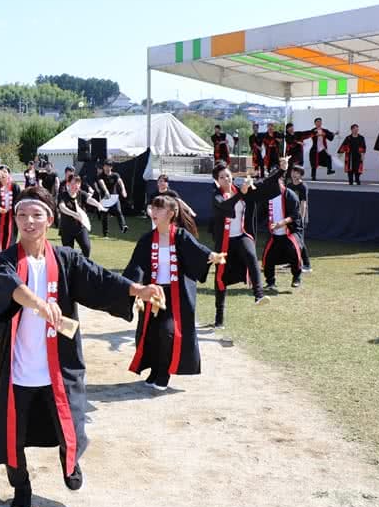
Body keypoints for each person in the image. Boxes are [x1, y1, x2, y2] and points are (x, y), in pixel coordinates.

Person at [0, 186, 161, 507]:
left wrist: (137, 289)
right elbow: (10, 287)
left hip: (59, 364)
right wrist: (39, 304)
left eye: (36, 215)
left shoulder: (65, 259)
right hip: (20, 368)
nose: (28, 221)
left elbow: (99, 280)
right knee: (13, 435)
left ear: (50, 220)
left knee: (73, 424)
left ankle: (70, 463)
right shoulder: (4, 260)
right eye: (22, 215)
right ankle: (21, 488)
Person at [124, 195, 225, 391]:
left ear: (171, 214)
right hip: (153, 294)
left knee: (168, 332)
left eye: (159, 209)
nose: (154, 212)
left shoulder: (180, 236)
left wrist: (212, 256)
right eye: (153, 208)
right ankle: (154, 369)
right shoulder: (147, 240)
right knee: (150, 334)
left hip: (176, 296)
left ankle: (164, 372)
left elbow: (198, 252)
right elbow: (136, 267)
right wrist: (133, 288)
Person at [210, 161, 280, 328]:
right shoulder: (216, 196)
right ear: (217, 181)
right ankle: (219, 316)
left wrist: (281, 170)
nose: (226, 179)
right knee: (220, 278)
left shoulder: (240, 189)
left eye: (228, 175)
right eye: (222, 177)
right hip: (225, 242)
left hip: (241, 234)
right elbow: (226, 206)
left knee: (251, 255)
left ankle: (259, 295)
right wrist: (241, 194)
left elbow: (263, 184)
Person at [263, 169, 304, 290]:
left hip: (290, 231)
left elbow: (295, 215)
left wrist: (281, 223)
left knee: (294, 253)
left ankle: (296, 277)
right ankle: (270, 282)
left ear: (281, 180)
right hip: (275, 233)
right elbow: (261, 213)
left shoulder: (290, 195)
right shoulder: (268, 196)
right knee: (268, 257)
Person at [57, 175, 106, 258]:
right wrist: (74, 214)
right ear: (68, 184)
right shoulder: (62, 195)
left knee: (87, 248)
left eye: (77, 183)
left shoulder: (81, 193)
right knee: (68, 253)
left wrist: (98, 205)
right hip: (66, 229)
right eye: (73, 183)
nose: (75, 186)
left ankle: (83, 265)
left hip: (80, 228)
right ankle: (70, 269)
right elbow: (62, 207)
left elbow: (89, 199)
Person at [286, 165, 311, 273]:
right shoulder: (289, 185)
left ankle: (307, 265)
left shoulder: (303, 187)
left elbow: (303, 203)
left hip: (300, 218)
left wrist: (301, 217)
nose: (293, 174)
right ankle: (291, 262)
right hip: (290, 217)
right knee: (290, 240)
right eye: (292, 171)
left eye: (296, 172)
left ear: (301, 174)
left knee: (300, 241)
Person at [0, 165, 21, 253]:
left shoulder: (15, 186)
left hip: (11, 217)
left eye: (5, 172)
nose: (3, 174)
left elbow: (19, 201)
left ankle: (8, 254)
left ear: (9, 174)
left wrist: (12, 210)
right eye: (1, 172)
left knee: (10, 237)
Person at [96, 159, 128, 237]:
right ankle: (105, 233)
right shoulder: (100, 176)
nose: (107, 168)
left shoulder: (115, 175)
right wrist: (106, 191)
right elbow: (102, 183)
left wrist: (123, 190)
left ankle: (123, 227)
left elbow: (121, 182)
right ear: (103, 167)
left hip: (114, 197)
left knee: (118, 211)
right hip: (105, 198)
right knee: (104, 215)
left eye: (109, 166)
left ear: (111, 167)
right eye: (106, 166)